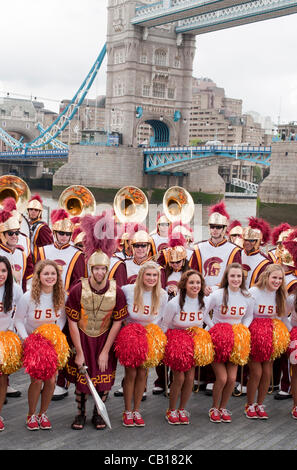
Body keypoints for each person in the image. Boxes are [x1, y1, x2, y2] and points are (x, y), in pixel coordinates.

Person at [65, 212, 128, 430]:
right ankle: (80, 413)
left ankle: (97, 413)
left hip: (104, 339)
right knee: (83, 377)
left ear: (107, 269)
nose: (100, 272)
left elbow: (117, 322)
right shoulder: (77, 289)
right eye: (96, 268)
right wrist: (79, 351)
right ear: (90, 269)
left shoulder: (117, 292)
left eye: (103, 268)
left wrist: (105, 351)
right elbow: (72, 321)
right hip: (83, 337)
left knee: (103, 378)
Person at [189, 201, 242, 395]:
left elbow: (236, 275)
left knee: (218, 338)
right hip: (202, 295)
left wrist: (219, 289)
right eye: (212, 226)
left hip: (221, 297)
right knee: (200, 335)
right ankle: (200, 377)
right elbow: (192, 272)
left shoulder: (234, 250)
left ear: (225, 229)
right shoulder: (199, 248)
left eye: (219, 227)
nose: (215, 230)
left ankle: (213, 379)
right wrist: (201, 288)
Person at [14, 260, 66, 430]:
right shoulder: (27, 296)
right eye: (46, 274)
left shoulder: (61, 295)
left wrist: (56, 334)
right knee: (36, 380)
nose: (50, 277)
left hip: (50, 342)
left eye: (53, 274)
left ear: (57, 276)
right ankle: (31, 414)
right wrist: (26, 339)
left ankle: (42, 413)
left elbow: (63, 318)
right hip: (33, 342)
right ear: (38, 276)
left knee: (51, 381)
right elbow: (19, 320)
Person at [204, 263, 254, 423]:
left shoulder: (247, 296)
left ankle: (222, 408)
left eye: (239, 276)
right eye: (232, 276)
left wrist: (242, 330)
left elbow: (249, 316)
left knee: (232, 379)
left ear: (242, 278)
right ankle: (214, 407)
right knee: (222, 378)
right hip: (218, 342)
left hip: (236, 342)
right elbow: (203, 312)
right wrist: (213, 328)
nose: (236, 279)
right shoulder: (217, 294)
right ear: (227, 277)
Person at [121, 261, 168, 427]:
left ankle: (136, 410)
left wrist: (156, 339)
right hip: (130, 337)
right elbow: (120, 315)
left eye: (155, 275)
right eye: (148, 274)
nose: (151, 278)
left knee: (143, 374)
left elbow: (161, 320)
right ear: (141, 275)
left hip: (149, 337)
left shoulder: (162, 294)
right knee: (131, 374)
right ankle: (127, 411)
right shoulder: (127, 290)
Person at [245, 264, 289, 420]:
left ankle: (260, 404)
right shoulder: (253, 292)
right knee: (256, 373)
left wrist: (289, 335)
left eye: (280, 278)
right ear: (267, 277)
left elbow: (282, 318)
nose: (277, 281)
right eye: (274, 278)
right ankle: (249, 405)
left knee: (267, 374)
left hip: (269, 338)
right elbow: (247, 316)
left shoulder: (280, 295)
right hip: (254, 337)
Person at [162, 269, 205, 425]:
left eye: (198, 282)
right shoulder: (174, 303)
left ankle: (181, 409)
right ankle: (171, 409)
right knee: (179, 377)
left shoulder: (203, 301)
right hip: (176, 343)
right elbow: (165, 325)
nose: (195, 285)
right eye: (191, 282)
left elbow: (202, 322)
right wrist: (164, 347)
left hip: (193, 342)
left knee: (190, 378)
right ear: (184, 284)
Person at [0, 256, 23, 431]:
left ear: (9, 272)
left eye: (4, 271)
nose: (1, 274)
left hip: (6, 341)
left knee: (3, 379)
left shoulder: (15, 289)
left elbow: (19, 316)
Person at [0, 204, 33, 292]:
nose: (14, 236)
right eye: (10, 233)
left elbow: (24, 282)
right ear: (3, 235)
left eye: (17, 233)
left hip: (17, 300)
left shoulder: (21, 254)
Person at [241, 217, 272, 288]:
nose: (247, 243)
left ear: (258, 241)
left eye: (252, 240)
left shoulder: (265, 262)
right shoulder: (237, 254)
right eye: (246, 240)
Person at [26, 194, 54, 264]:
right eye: (31, 209)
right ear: (28, 211)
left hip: (36, 261)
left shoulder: (43, 227)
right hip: (26, 259)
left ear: (39, 212)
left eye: (36, 210)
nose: (33, 211)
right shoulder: (26, 224)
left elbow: (49, 247)